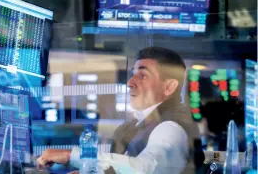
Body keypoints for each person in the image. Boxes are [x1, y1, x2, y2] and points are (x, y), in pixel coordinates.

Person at [36, 47, 205, 174]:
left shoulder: (170, 128)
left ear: (169, 87)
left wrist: (70, 155)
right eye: (133, 74)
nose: (130, 82)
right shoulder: (139, 125)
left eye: (143, 75)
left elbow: (143, 169)